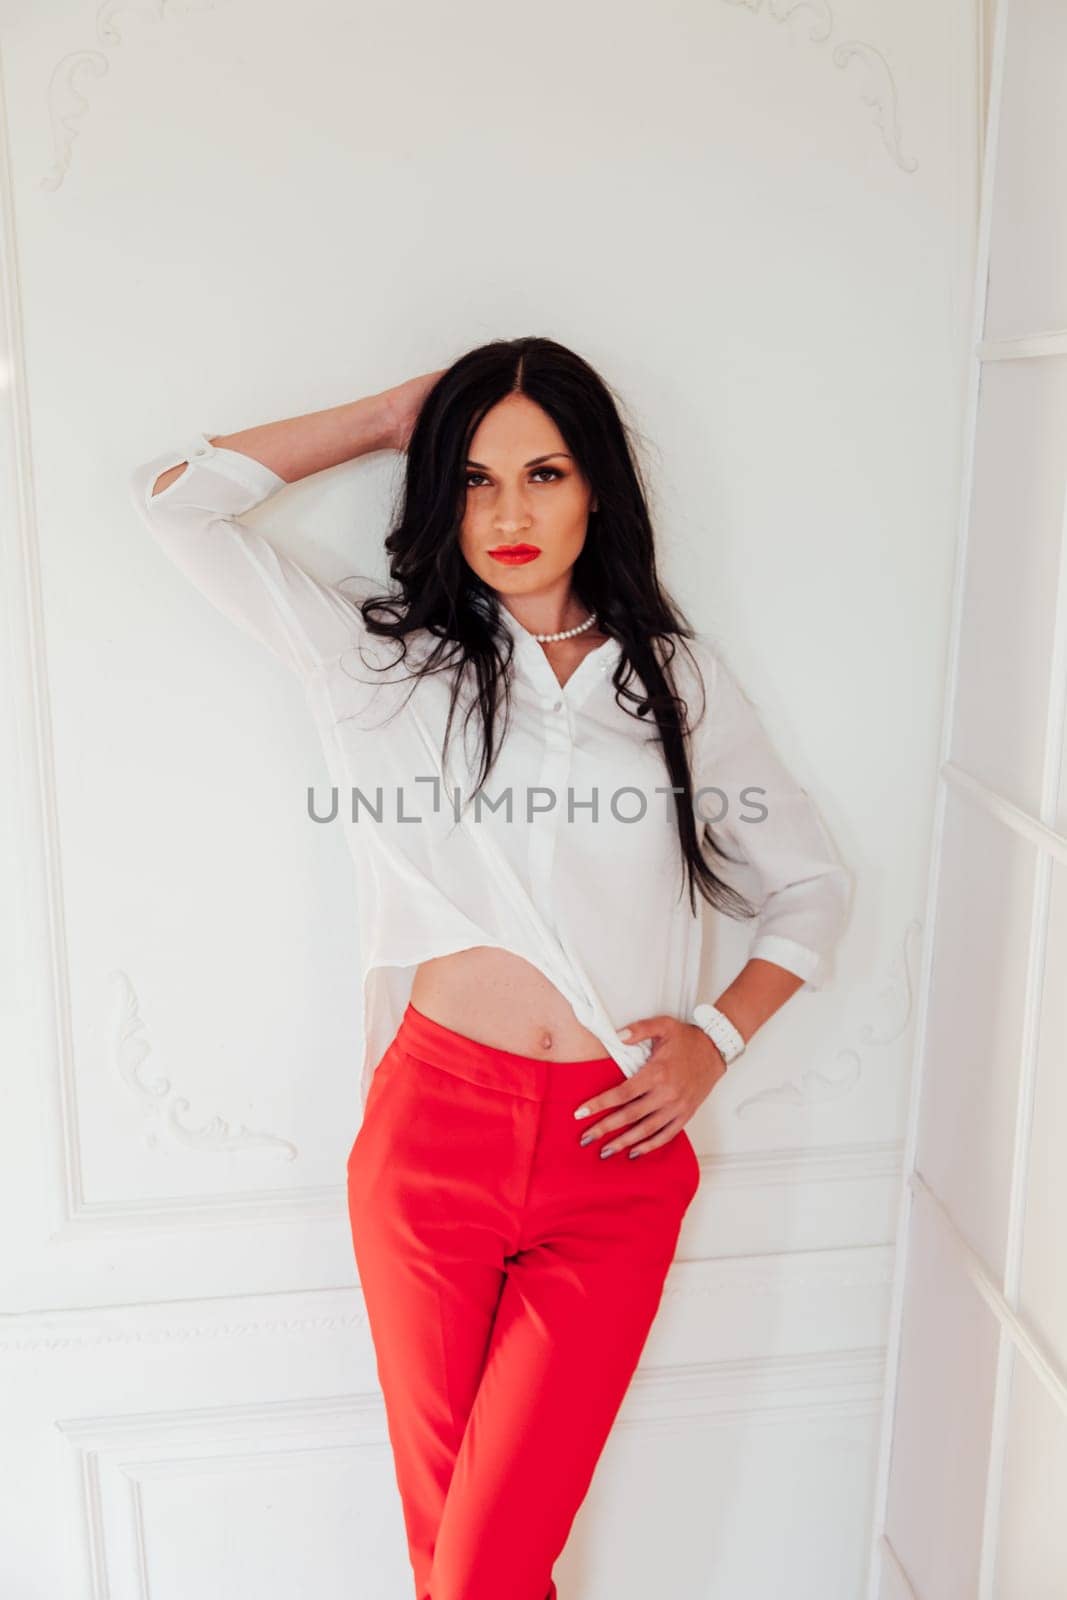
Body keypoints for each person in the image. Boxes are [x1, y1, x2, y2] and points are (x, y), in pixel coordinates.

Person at [127, 336, 851, 1600]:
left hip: (613, 1154)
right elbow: (177, 505)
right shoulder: (386, 658)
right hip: (432, 1143)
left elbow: (813, 885)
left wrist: (716, 1039)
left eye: (544, 473)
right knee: (458, 1560)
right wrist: (390, 414)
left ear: (596, 489)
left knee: (479, 1562)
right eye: (473, 478)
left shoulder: (673, 683)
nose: (509, 513)